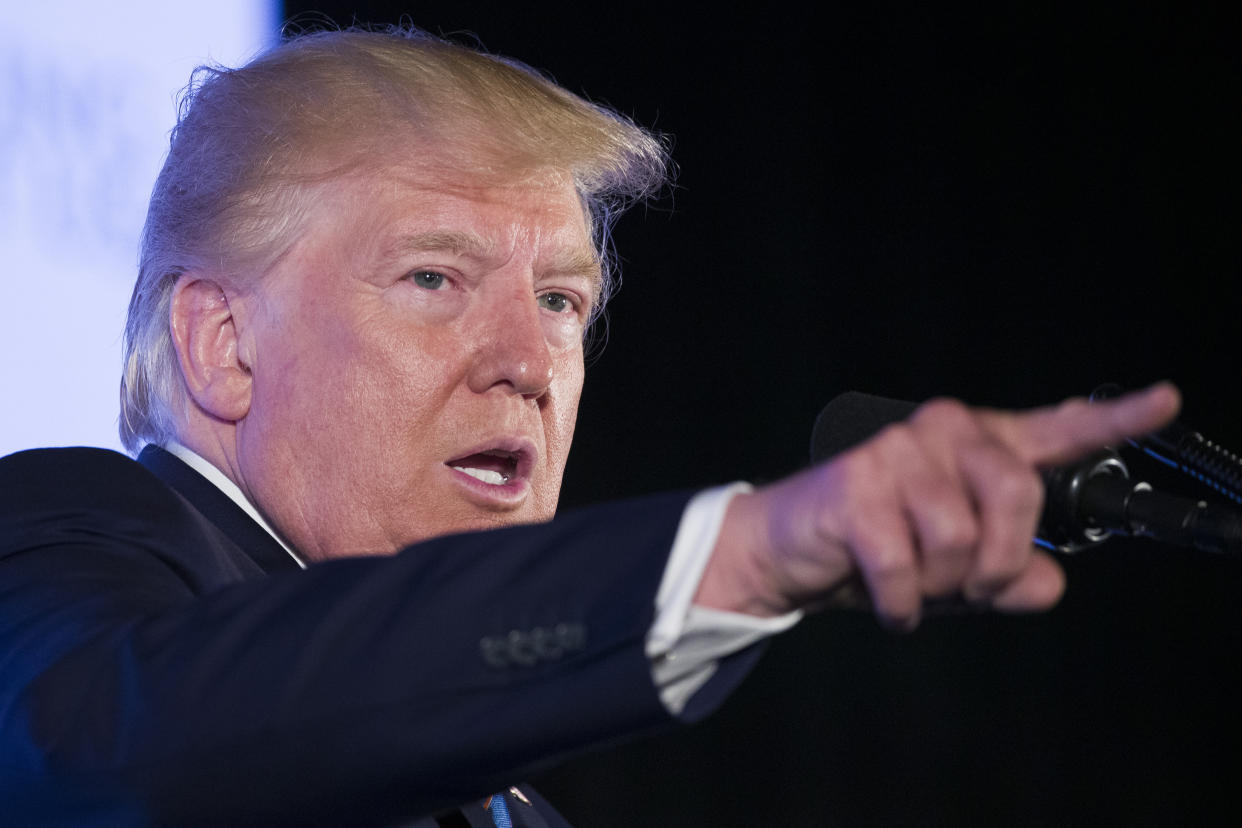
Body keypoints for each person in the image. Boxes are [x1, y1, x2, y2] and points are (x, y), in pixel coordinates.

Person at [0, 26, 1180, 828]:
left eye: (562, 301)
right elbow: (125, 747)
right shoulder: (63, 536)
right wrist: (748, 554)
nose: (529, 364)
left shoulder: (520, 812)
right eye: (432, 279)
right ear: (222, 344)